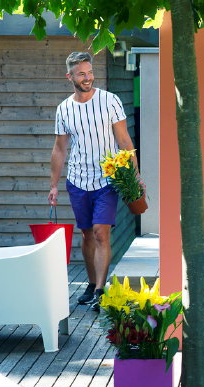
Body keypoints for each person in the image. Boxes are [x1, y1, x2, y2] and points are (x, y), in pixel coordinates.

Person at [48, 52, 137, 311]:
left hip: (107, 178)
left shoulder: (110, 101)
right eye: (81, 74)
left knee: (100, 232)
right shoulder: (64, 109)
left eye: (90, 72)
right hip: (77, 180)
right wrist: (53, 185)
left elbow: (124, 141)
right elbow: (59, 149)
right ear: (70, 77)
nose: (88, 78)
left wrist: (135, 175)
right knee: (86, 234)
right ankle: (90, 284)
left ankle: (100, 290)